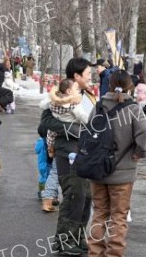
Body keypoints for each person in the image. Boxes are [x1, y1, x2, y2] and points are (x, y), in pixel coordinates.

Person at [88, 70, 146, 257]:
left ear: (108, 84)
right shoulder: (133, 109)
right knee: (119, 216)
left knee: (99, 213)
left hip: (97, 170)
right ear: (129, 87)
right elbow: (145, 133)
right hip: (123, 172)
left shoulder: (98, 107)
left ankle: (94, 253)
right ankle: (114, 254)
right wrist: (140, 152)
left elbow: (88, 133)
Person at [38, 58, 96, 255]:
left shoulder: (88, 95)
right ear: (77, 76)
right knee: (73, 195)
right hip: (67, 152)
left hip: (87, 153)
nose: (91, 77)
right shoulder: (58, 96)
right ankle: (64, 241)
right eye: (88, 74)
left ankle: (79, 237)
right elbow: (44, 125)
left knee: (86, 197)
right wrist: (76, 131)